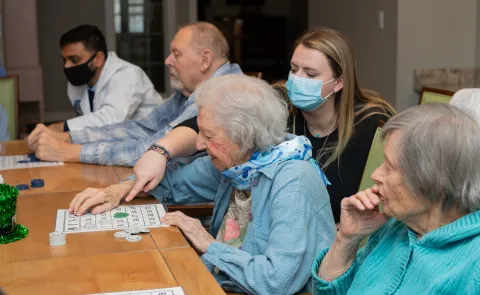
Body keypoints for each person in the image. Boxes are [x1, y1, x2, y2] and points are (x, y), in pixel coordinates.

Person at [68, 75, 336, 294]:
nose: (198, 144)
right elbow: (173, 182)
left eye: (208, 135)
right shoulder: (240, 162)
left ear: (243, 137)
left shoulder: (293, 180)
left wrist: (207, 244)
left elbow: (278, 281)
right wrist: (118, 190)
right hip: (217, 281)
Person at [127, 28, 396, 222]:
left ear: (339, 82)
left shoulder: (372, 123)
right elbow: (205, 124)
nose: (297, 79)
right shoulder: (280, 102)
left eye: (310, 74)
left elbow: (383, 201)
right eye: (294, 69)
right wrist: (160, 151)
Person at [312, 103, 480, 294]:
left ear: (433, 181)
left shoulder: (474, 266)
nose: (375, 174)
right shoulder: (393, 227)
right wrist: (346, 239)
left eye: (390, 167)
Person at [26, 22, 242, 166]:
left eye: (176, 54)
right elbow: (141, 127)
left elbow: (151, 149)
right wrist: (69, 137)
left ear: (205, 60)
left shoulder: (218, 94)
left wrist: (68, 151)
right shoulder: (188, 92)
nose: (167, 61)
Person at [47, 24, 163, 132]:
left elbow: (111, 119)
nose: (67, 66)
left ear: (98, 59)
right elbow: (89, 123)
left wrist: (63, 127)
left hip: (152, 139)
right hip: (116, 139)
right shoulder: (78, 83)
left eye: (74, 60)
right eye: (64, 60)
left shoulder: (127, 74)